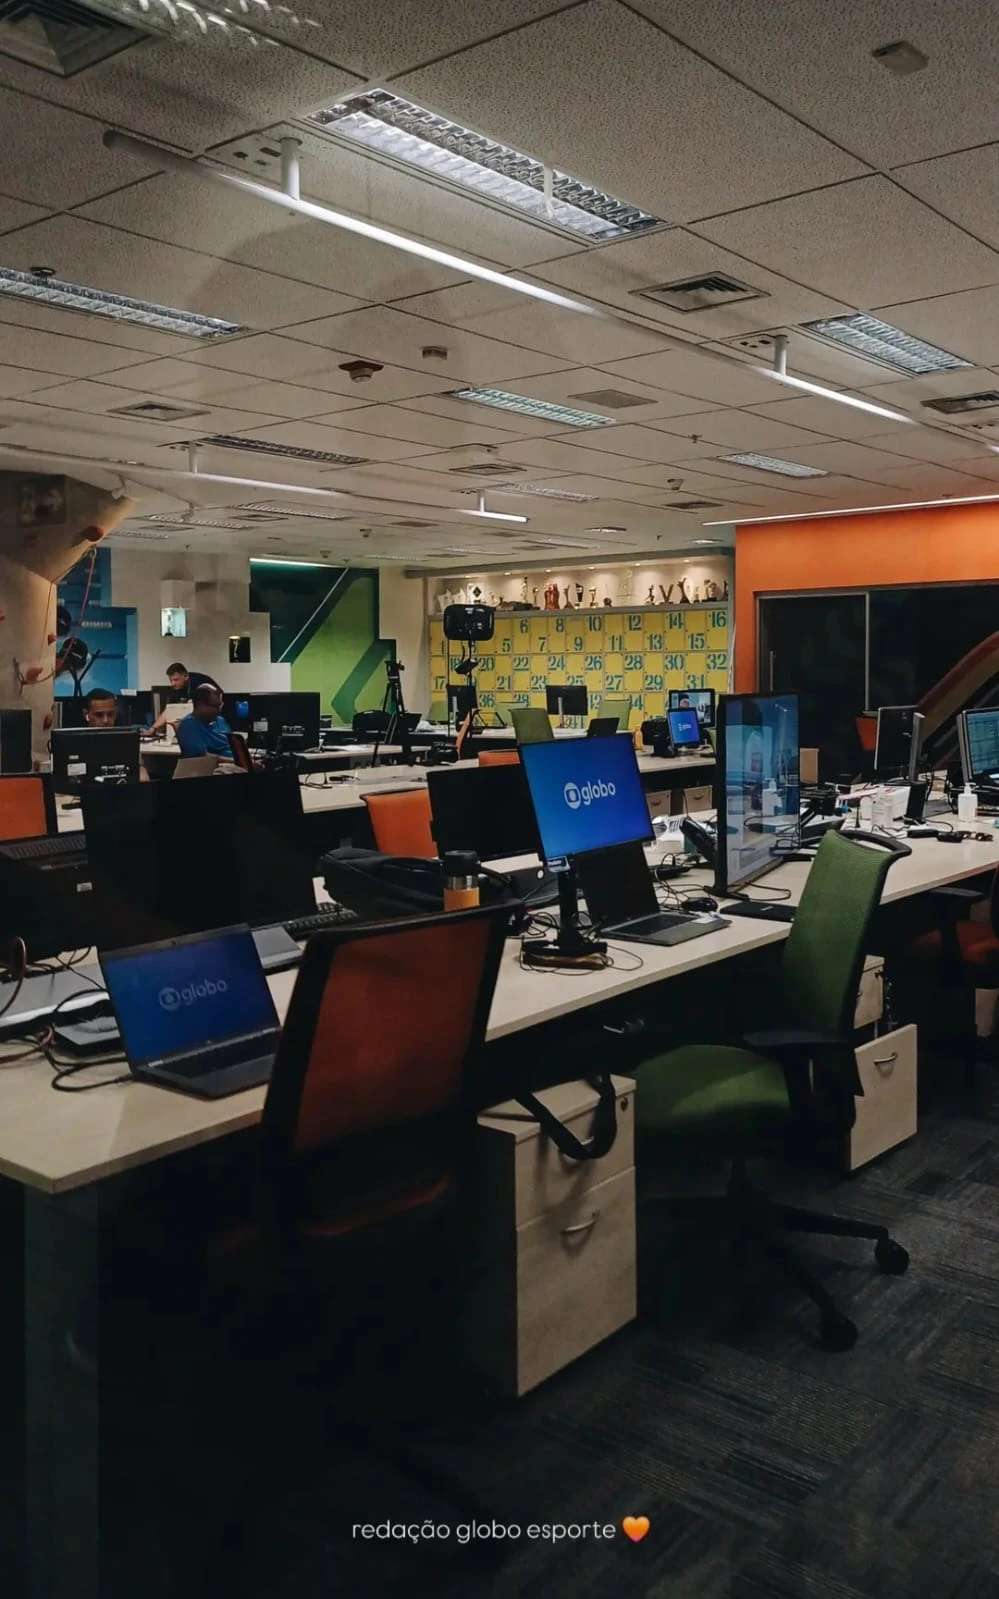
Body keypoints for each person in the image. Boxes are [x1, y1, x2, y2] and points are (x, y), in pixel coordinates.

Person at [147, 662, 222, 735]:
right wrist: (153, 729)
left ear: (186, 676)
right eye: (171, 681)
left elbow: (215, 704)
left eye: (176, 680)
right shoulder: (178, 688)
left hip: (216, 720)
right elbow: (168, 710)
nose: (172, 684)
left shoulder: (200, 683)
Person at [176, 685, 233, 759]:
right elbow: (202, 757)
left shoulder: (220, 720)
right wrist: (233, 761)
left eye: (219, 706)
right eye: (214, 707)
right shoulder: (189, 724)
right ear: (200, 705)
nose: (218, 711)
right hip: (217, 765)